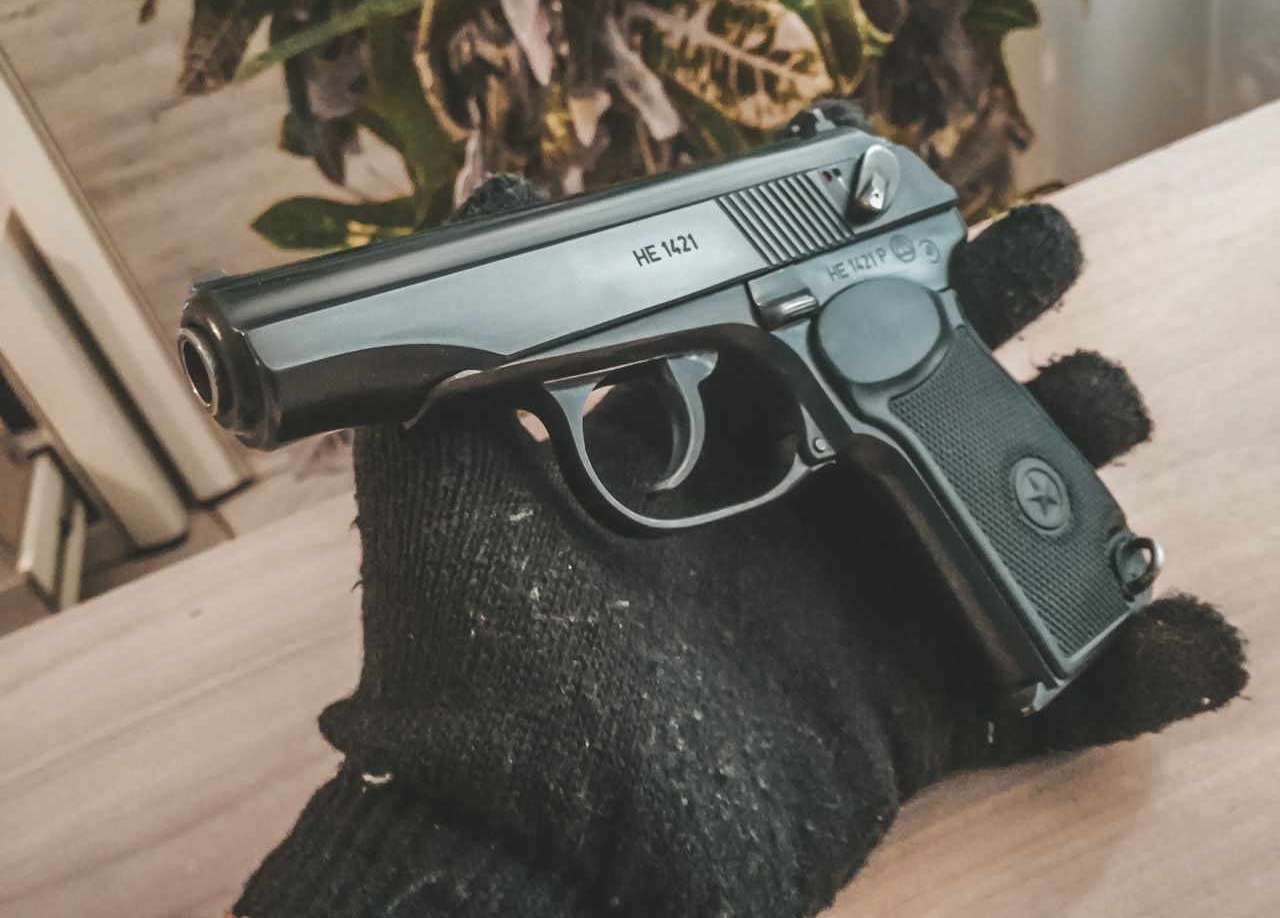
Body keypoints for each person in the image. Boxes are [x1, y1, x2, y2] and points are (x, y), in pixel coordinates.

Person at [228, 166, 1247, 918]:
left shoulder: (830, 280)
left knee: (1021, 533)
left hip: (832, 249)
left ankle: (1080, 592)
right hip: (830, 232)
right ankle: (1080, 589)